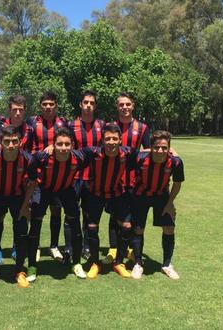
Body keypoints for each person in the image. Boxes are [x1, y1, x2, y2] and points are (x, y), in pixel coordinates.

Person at [26, 127, 88, 282]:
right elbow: (31, 165)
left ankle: (77, 263)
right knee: (35, 225)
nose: (64, 148)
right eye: (60, 144)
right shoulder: (42, 157)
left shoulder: (79, 158)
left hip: (66, 190)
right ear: (53, 145)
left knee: (75, 224)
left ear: (72, 145)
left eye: (67, 144)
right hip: (44, 189)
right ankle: (32, 265)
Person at [0, 125, 35, 288]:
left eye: (14, 141)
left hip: (18, 197)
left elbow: (32, 183)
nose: (11, 145)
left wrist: (26, 206)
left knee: (21, 233)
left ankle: (19, 271)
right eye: (7, 141)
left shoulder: (28, 159)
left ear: (20, 142)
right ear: (0, 142)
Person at [80, 123, 138, 279]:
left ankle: (119, 262)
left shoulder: (128, 153)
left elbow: (147, 156)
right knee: (91, 227)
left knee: (126, 226)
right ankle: (94, 263)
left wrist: (171, 151)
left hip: (117, 193)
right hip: (95, 194)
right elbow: (72, 155)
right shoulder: (92, 153)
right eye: (108, 139)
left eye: (114, 138)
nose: (111, 142)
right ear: (102, 140)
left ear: (120, 140)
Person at [103, 92, 150, 265]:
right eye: (121, 104)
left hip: (135, 180)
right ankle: (112, 250)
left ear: (133, 106)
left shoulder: (142, 128)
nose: (124, 107)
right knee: (114, 215)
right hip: (113, 179)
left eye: (128, 104)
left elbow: (148, 151)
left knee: (134, 216)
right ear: (117, 107)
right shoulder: (109, 126)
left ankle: (130, 250)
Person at [130, 130, 184, 280]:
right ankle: (138, 263)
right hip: (141, 195)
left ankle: (167, 264)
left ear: (169, 148)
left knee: (169, 227)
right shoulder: (140, 158)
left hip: (162, 196)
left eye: (164, 148)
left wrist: (170, 203)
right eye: (156, 147)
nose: (160, 151)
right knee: (138, 229)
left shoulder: (176, 162)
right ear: (151, 147)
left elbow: (177, 184)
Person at [25, 91, 66, 262]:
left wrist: (53, 146)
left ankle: (54, 246)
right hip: (38, 177)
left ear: (56, 105)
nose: (48, 107)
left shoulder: (63, 123)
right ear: (40, 105)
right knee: (37, 212)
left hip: (57, 176)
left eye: (51, 104)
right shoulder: (32, 122)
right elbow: (26, 147)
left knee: (56, 210)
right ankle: (35, 248)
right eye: (45, 104)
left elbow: (67, 143)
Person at [65, 90, 105, 262]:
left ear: (95, 106)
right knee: (70, 215)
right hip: (73, 178)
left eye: (92, 103)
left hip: (94, 178)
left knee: (89, 215)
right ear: (80, 104)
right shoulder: (70, 125)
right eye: (86, 102)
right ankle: (69, 248)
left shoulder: (102, 126)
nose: (88, 105)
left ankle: (86, 247)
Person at [0, 95, 33, 261]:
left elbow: (32, 153)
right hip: (0, 180)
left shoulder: (30, 130)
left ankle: (18, 247)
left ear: (25, 110)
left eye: (21, 109)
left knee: (20, 216)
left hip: (21, 181)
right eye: (14, 109)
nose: (17, 113)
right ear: (9, 110)